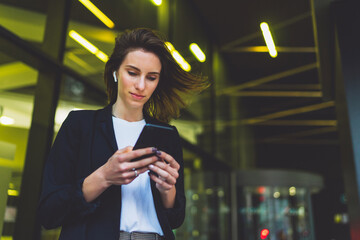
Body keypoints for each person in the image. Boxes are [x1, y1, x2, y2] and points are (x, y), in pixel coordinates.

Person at [38, 28, 208, 240]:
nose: (141, 85)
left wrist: (168, 190)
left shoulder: (166, 135)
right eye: (133, 73)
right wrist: (104, 176)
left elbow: (175, 218)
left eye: (151, 77)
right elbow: (49, 211)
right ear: (115, 72)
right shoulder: (80, 125)